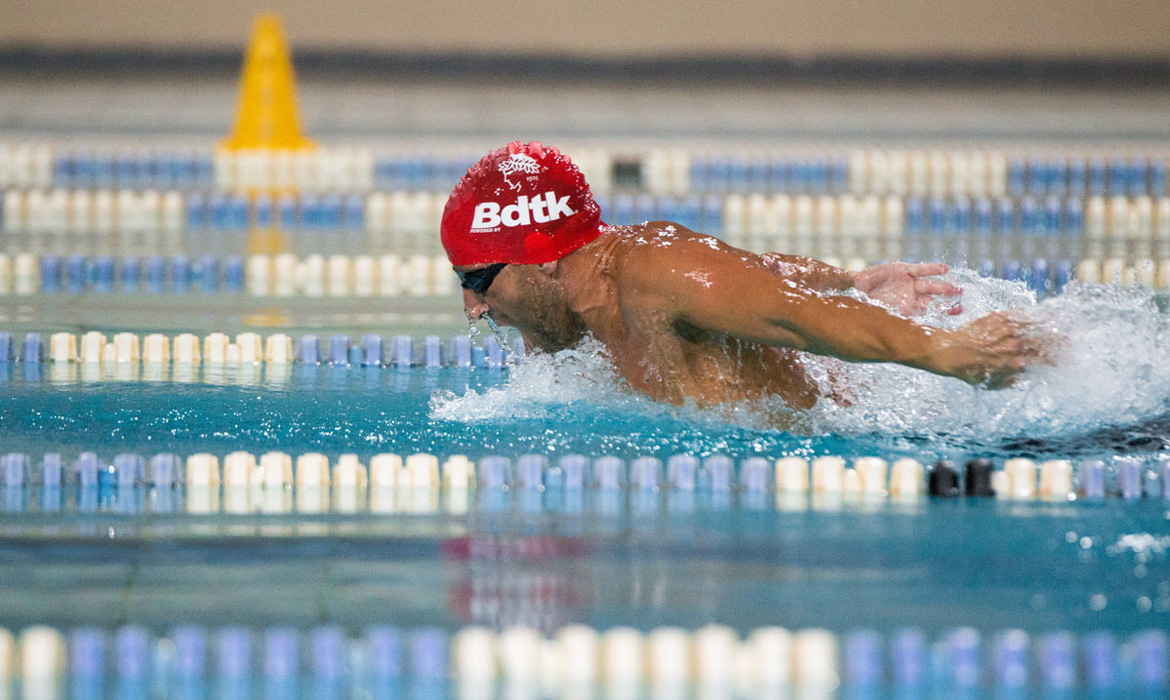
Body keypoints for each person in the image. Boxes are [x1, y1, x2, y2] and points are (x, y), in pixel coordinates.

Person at [441, 141, 1047, 412]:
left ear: (543, 253)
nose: (472, 306)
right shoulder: (563, 314)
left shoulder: (652, 271)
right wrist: (850, 282)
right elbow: (756, 276)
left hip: (902, 439)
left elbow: (792, 314)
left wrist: (949, 350)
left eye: (480, 278)